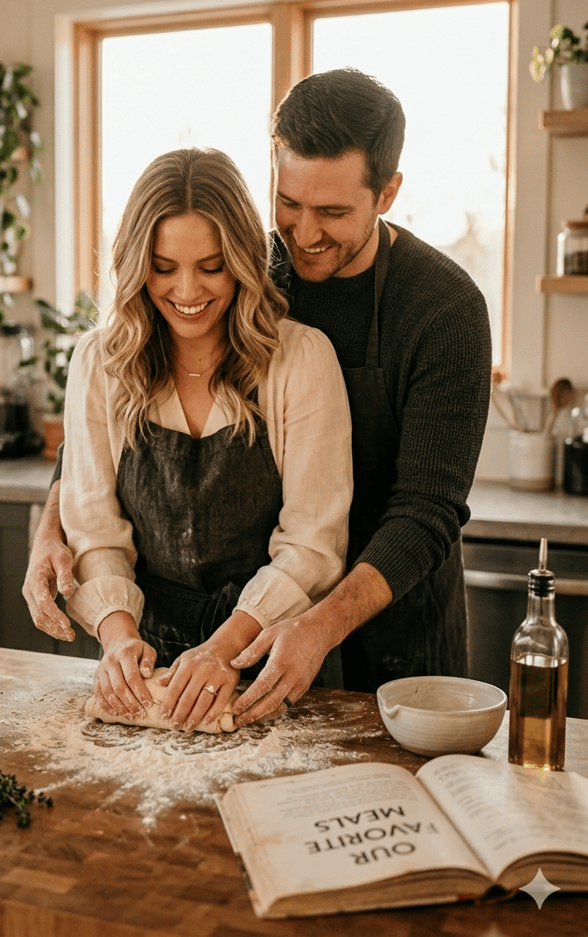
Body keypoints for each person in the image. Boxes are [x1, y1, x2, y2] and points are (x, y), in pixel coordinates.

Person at [28, 147, 352, 731]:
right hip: (143, 665)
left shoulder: (299, 360)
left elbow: (312, 544)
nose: (186, 289)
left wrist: (223, 650)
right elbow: (93, 526)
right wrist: (117, 639)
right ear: (136, 264)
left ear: (244, 262)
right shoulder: (100, 363)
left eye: (211, 265)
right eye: (163, 266)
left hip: (269, 656)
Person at [228, 68, 492, 722]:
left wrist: (320, 627)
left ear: (388, 192)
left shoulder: (445, 308)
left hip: (399, 643)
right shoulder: (246, 276)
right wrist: (58, 514)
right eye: (289, 202)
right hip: (266, 622)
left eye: (334, 212)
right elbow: (137, 375)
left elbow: (426, 511)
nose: (305, 232)